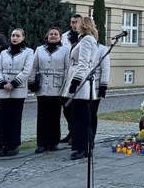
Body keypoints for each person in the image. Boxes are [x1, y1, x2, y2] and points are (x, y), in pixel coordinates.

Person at [0, 29, 33, 157]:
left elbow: (27, 70)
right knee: (3, 118)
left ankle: (13, 145)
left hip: (18, 89)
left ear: (23, 37)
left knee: (15, 119)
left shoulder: (28, 52)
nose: (14, 38)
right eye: (12, 35)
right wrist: (1, 82)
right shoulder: (4, 52)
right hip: (4, 89)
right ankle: (3, 145)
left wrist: (14, 83)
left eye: (17, 36)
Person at [65, 17, 99, 160]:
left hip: (81, 83)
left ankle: (82, 147)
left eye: (77, 23)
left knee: (81, 118)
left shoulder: (86, 40)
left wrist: (75, 82)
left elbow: (83, 63)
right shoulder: (85, 39)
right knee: (77, 116)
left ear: (83, 25)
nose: (75, 26)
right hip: (80, 81)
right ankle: (81, 146)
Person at [31, 27, 70, 153]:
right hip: (42, 86)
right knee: (42, 116)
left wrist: (66, 87)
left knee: (54, 115)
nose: (53, 36)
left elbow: (68, 69)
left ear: (60, 36)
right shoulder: (39, 49)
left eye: (56, 34)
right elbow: (34, 66)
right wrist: (32, 82)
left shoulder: (66, 50)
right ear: (47, 36)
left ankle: (53, 142)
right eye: (51, 34)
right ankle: (42, 143)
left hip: (57, 86)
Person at [59, 14, 82, 145]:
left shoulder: (84, 37)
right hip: (66, 76)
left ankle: (76, 134)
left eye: (76, 22)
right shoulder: (65, 37)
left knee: (76, 108)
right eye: (72, 22)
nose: (74, 25)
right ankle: (71, 131)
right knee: (66, 108)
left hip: (77, 76)